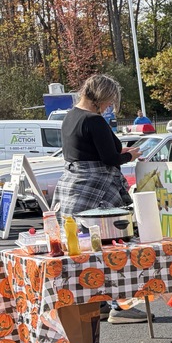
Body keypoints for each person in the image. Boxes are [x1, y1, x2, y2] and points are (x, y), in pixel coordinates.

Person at [52, 74, 146, 324]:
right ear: (102, 97)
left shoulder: (69, 117)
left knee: (83, 251)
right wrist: (130, 155)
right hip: (98, 190)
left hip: (73, 187)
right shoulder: (95, 121)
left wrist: (119, 152)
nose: (109, 107)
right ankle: (120, 307)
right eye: (109, 101)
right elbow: (109, 159)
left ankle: (98, 302)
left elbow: (85, 151)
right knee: (112, 248)